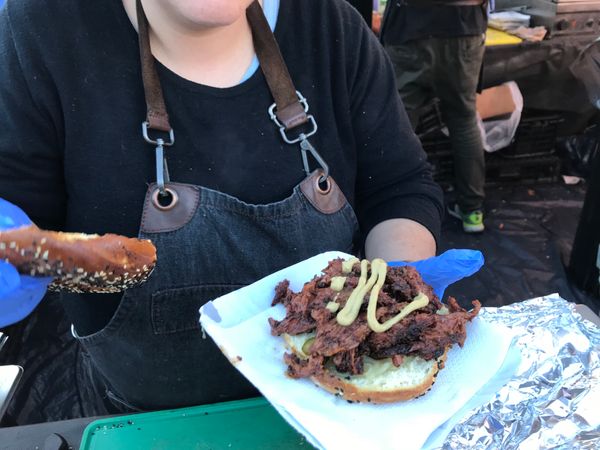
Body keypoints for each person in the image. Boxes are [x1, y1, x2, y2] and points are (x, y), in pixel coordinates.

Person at [0, 0, 443, 419]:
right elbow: (18, 217)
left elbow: (398, 186)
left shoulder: (332, 27)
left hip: (345, 408)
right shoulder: (39, 33)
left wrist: (396, 300)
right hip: (144, 424)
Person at [380, 1, 488, 233]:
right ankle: (471, 211)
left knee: (399, 125)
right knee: (464, 121)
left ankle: (389, 211)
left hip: (408, 30)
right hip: (463, 30)